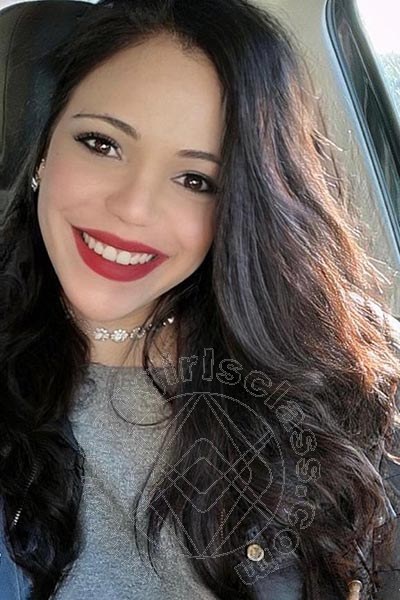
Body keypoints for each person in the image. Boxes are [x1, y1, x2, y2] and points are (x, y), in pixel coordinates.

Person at [0, 0, 399, 598]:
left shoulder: (345, 373)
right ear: (43, 147)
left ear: (242, 205)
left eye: (196, 180)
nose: (133, 208)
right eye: (101, 143)